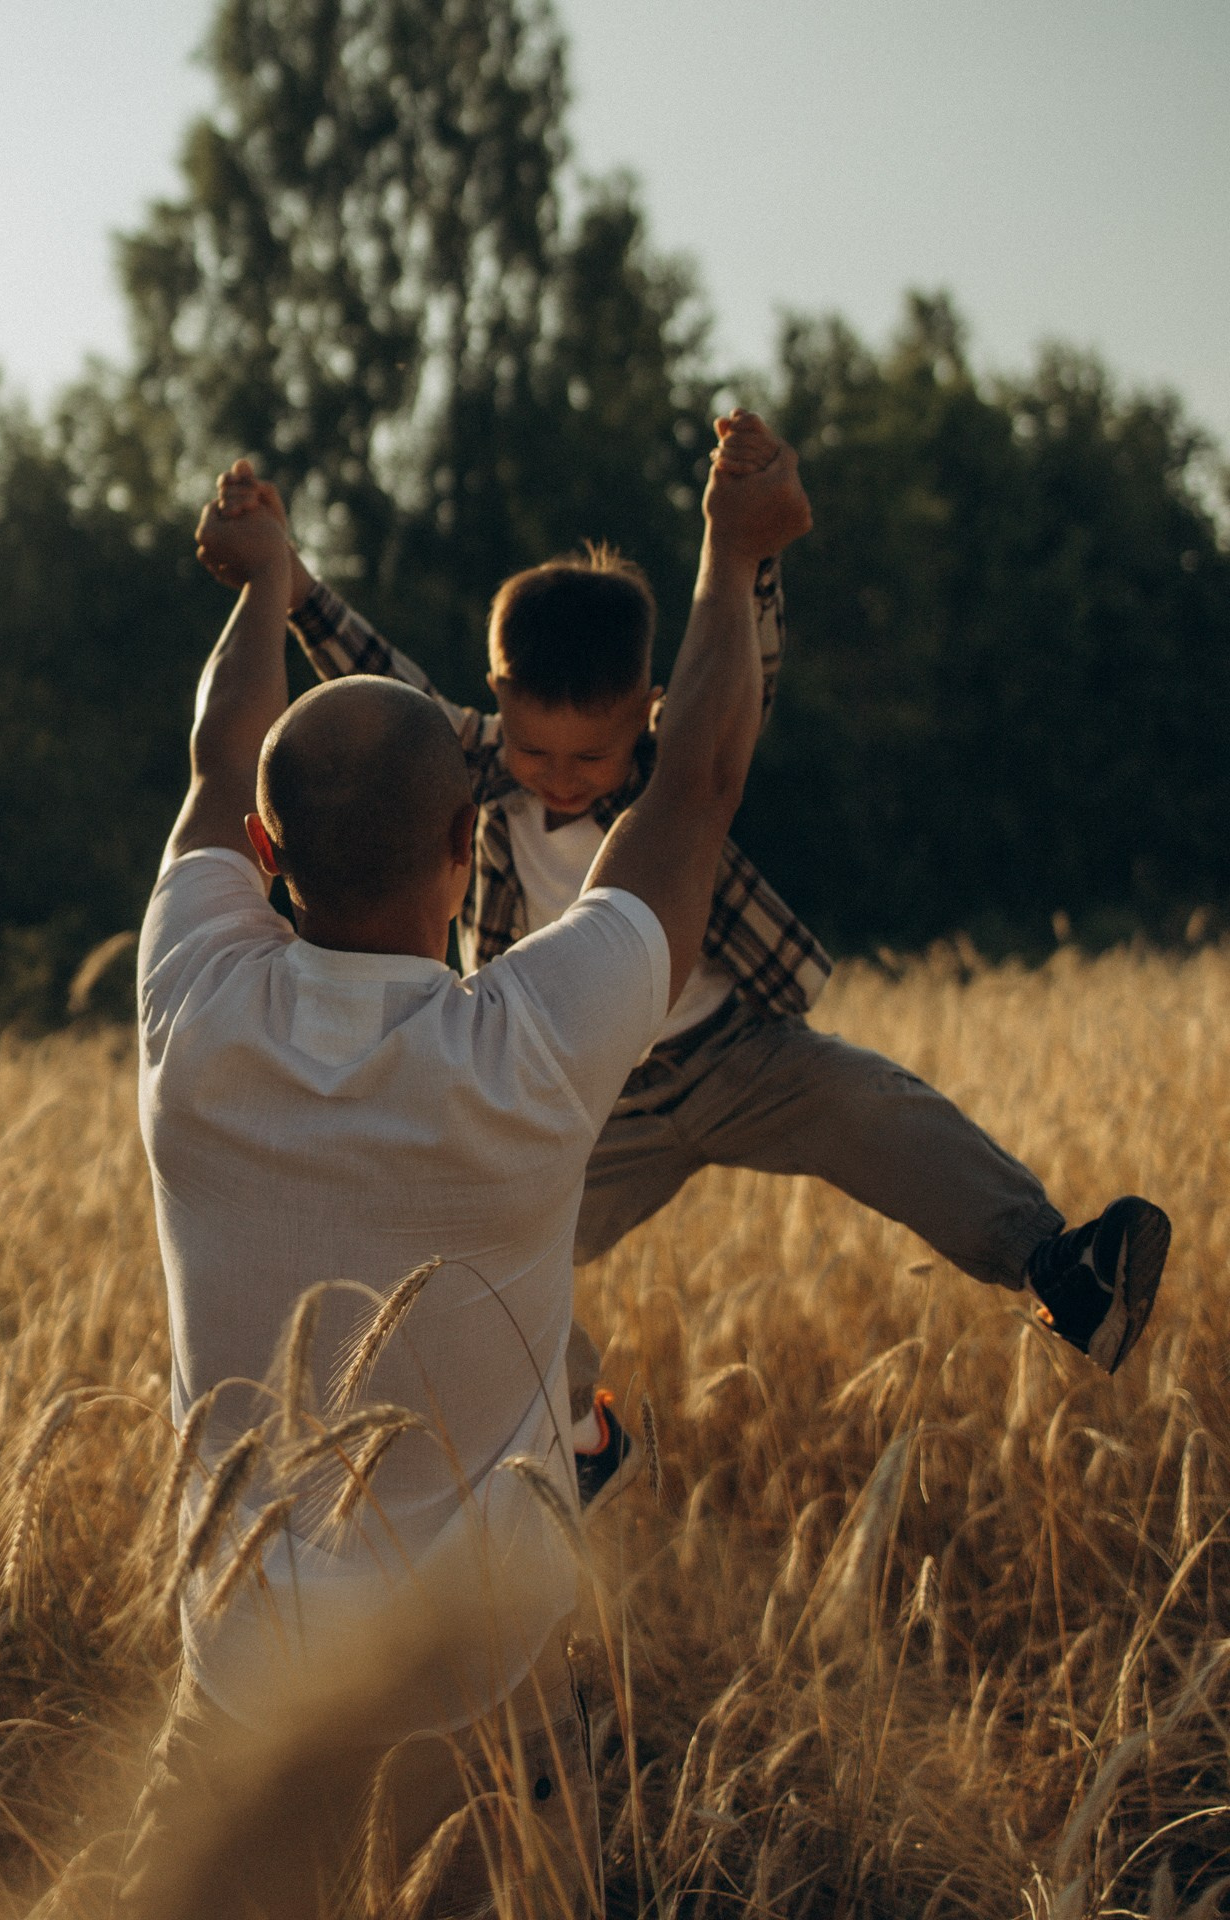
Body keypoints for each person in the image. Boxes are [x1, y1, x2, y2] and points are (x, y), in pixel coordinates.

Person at [121, 411, 812, 1919]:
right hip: (481, 1687)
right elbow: (689, 788)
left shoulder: (187, 1009)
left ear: (269, 855)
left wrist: (263, 587)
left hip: (237, 1671)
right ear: (463, 849)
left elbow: (215, 755)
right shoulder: (534, 1047)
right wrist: (731, 552)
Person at [210, 446, 1172, 1416]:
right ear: (498, 702)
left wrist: (750, 555)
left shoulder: (670, 764)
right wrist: (290, 586)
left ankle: (1059, 1269)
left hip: (736, 1057)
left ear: (647, 708)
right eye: (535, 746)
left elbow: (737, 672)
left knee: (876, 1107)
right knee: (470, 1239)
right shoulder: (475, 768)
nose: (562, 775)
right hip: (585, 1102)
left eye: (592, 751)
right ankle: (568, 1428)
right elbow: (382, 687)